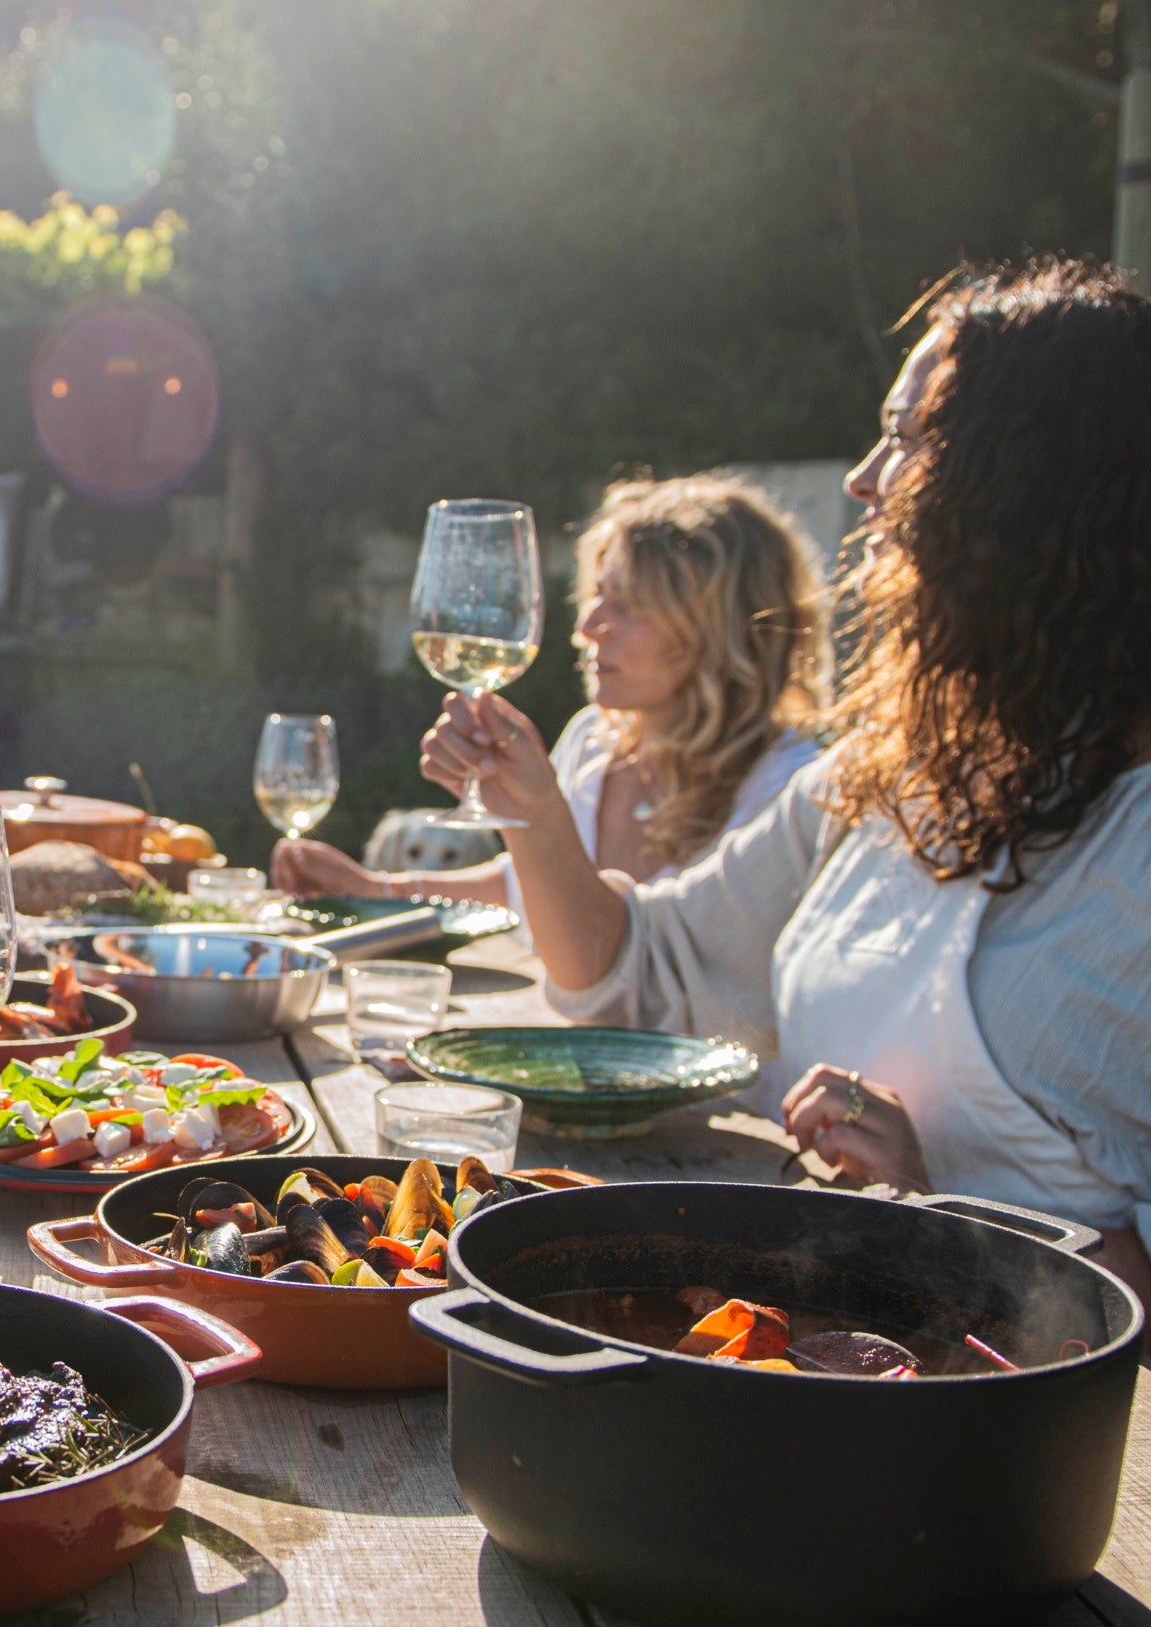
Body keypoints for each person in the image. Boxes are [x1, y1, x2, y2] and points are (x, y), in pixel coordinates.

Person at [421, 256, 1151, 1301]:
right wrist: (533, 812)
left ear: (1037, 484)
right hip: (815, 1336)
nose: (863, 478)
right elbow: (642, 973)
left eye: (906, 437)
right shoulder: (888, 778)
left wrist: (941, 1214)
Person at [273, 474, 827, 906]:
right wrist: (373, 888)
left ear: (719, 629)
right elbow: (533, 888)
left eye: (629, 606)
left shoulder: (790, 790)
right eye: (597, 595)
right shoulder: (593, 745)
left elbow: (654, 946)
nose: (588, 627)